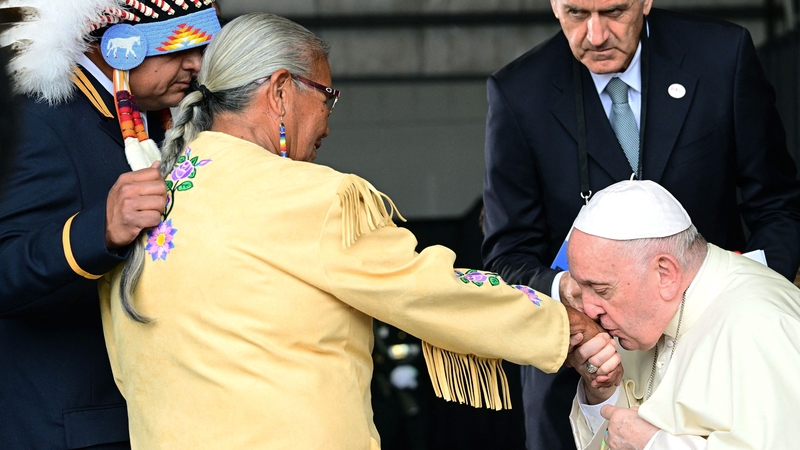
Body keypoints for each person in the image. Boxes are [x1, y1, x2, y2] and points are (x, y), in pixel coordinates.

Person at [97, 13, 612, 449]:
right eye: (327, 96)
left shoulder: (139, 206)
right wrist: (559, 323)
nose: (328, 121)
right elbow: (427, 290)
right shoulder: (308, 196)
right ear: (280, 92)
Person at [481, 0, 800, 446]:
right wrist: (570, 295)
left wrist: (742, 303)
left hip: (724, 356)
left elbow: (778, 204)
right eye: (575, 13)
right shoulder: (519, 91)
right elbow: (506, 257)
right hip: (586, 372)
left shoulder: (721, 56)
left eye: (614, 11)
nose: (595, 35)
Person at [0, 1, 220, 448]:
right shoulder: (39, 118)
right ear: (118, 44)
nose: (196, 62)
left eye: (202, 44)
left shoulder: (154, 122)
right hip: (73, 430)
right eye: (178, 44)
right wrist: (98, 230)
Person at [565, 179, 800, 449]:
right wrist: (602, 392)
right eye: (582, 288)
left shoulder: (764, 326)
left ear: (665, 273)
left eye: (601, 289)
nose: (589, 309)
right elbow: (622, 433)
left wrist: (655, 445)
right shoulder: (643, 314)